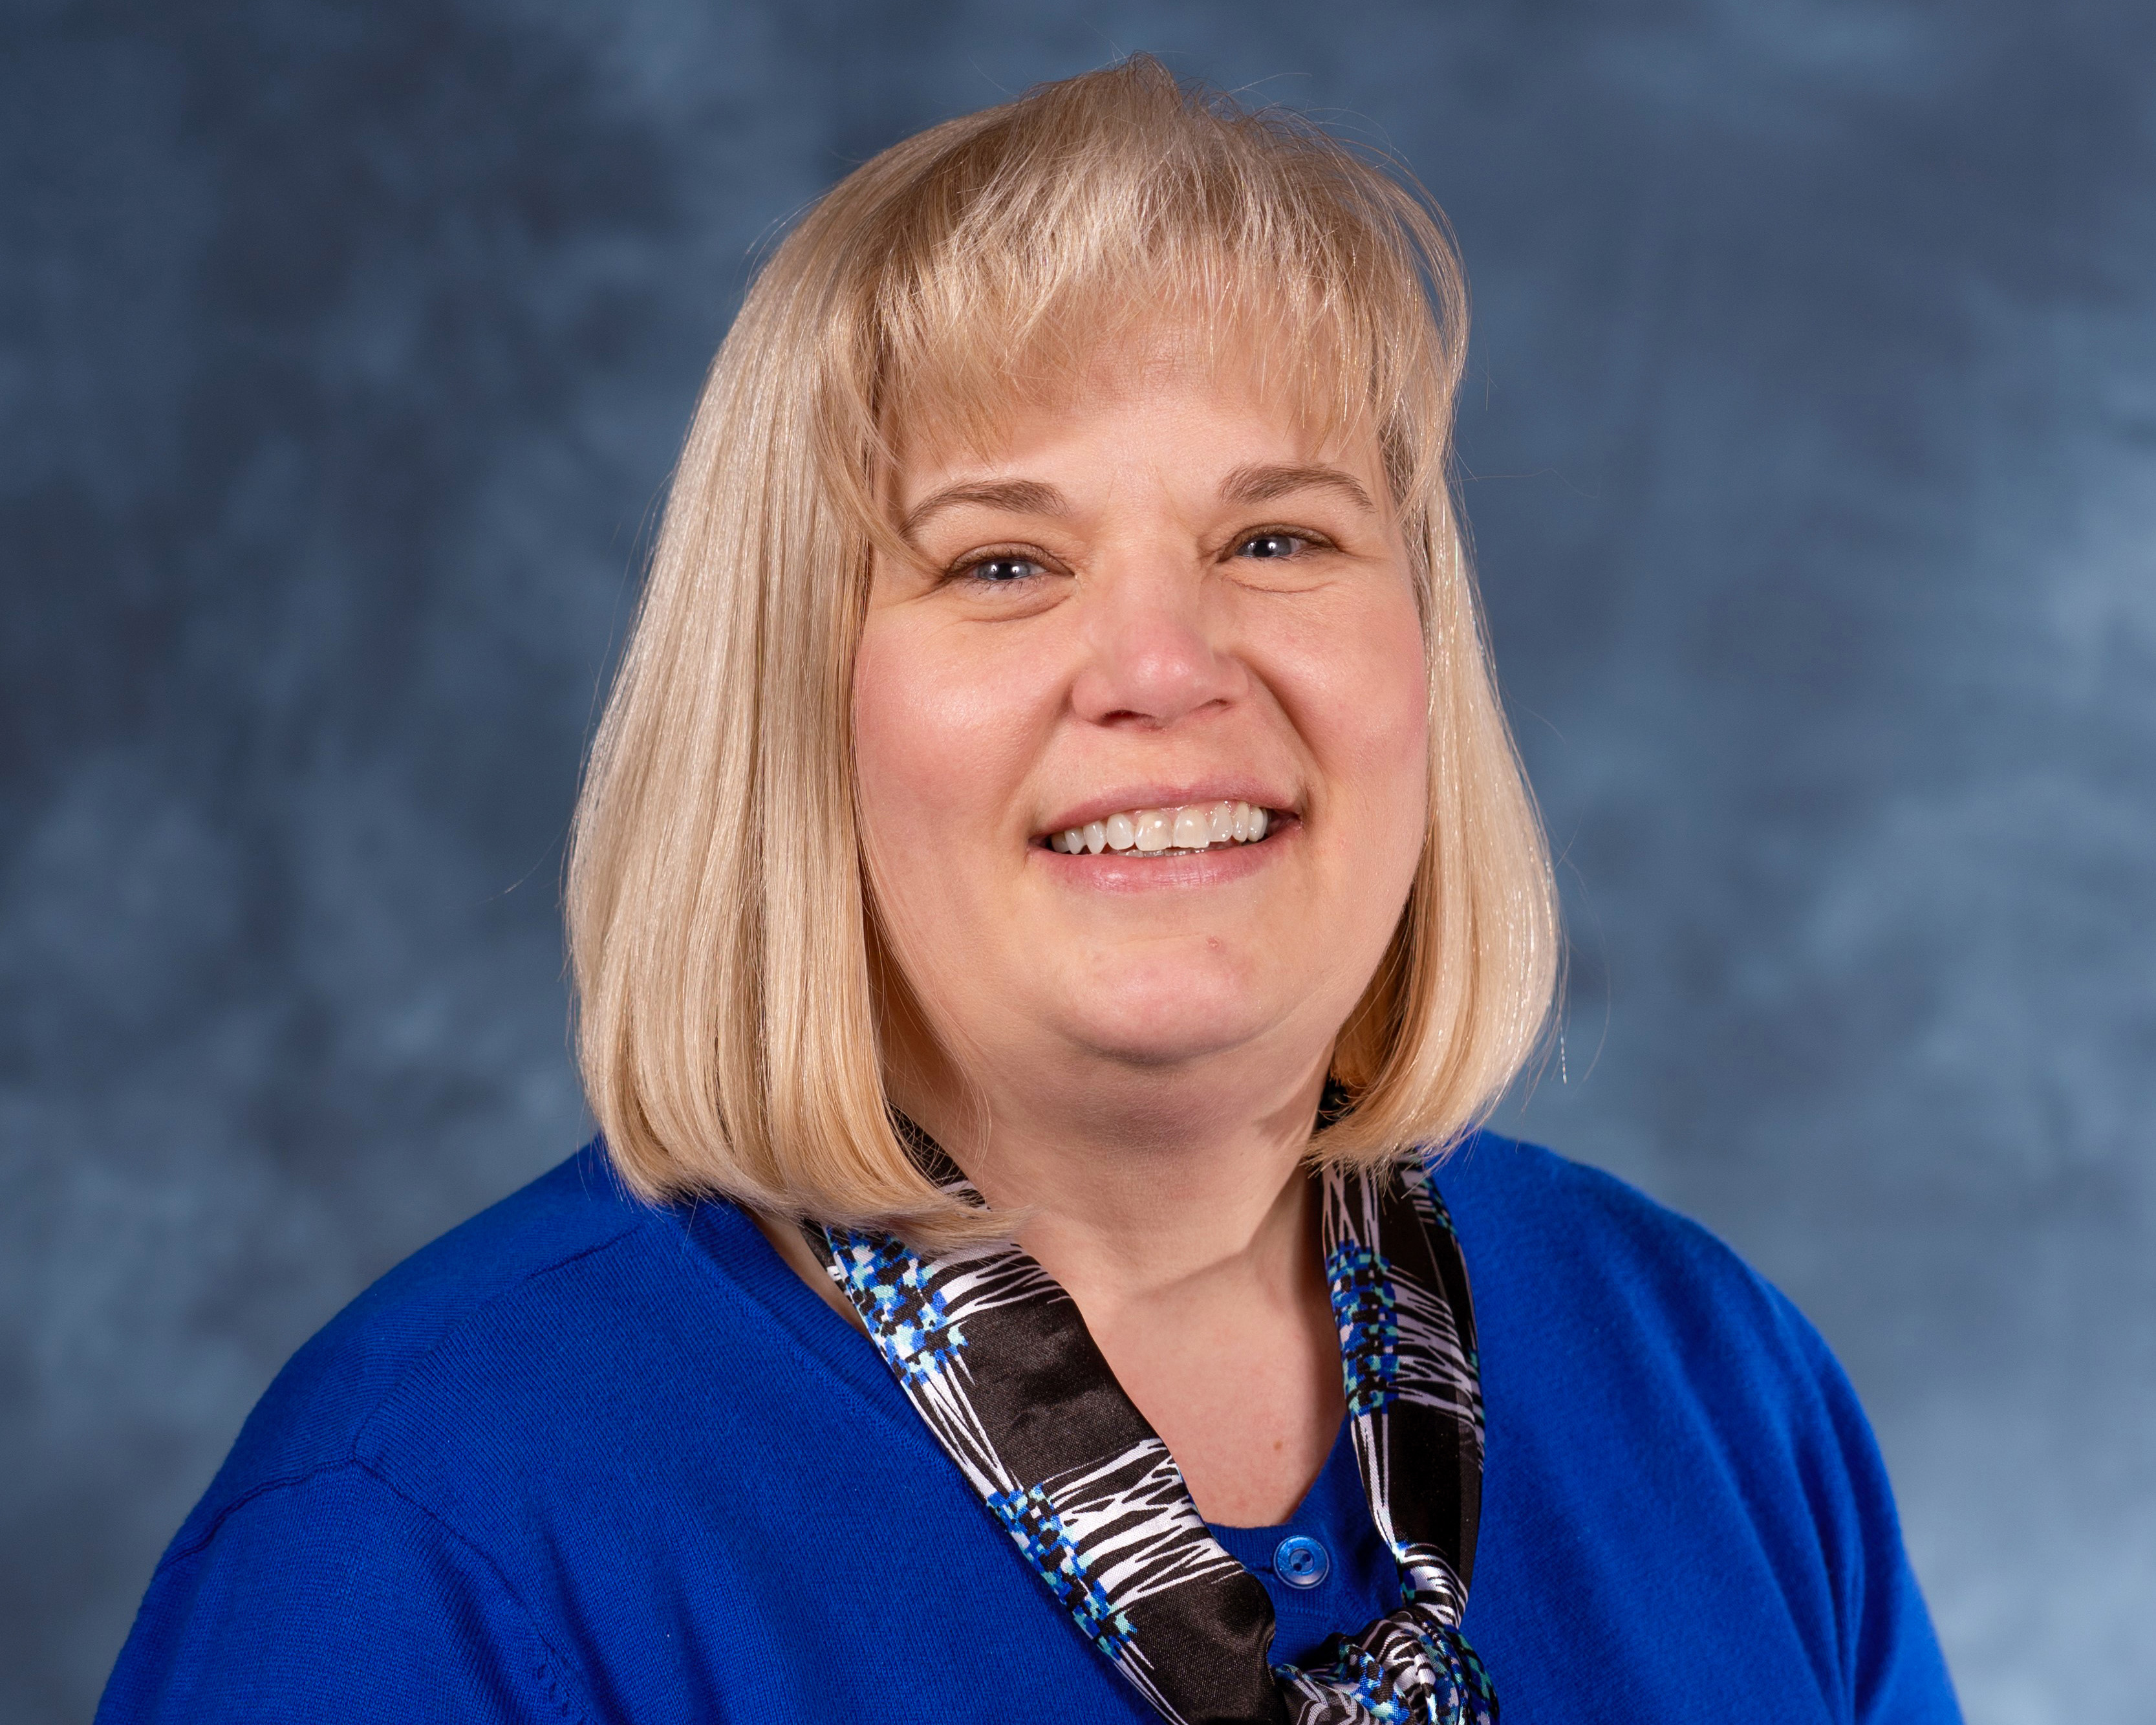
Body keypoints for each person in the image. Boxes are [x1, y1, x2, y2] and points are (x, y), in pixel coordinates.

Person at [98, 57, 1961, 1724]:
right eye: (1001, 562)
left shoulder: (1712, 1388)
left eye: (1278, 535)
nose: (1165, 662)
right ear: (791, 716)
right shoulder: (431, 1525)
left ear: (1425, 658)